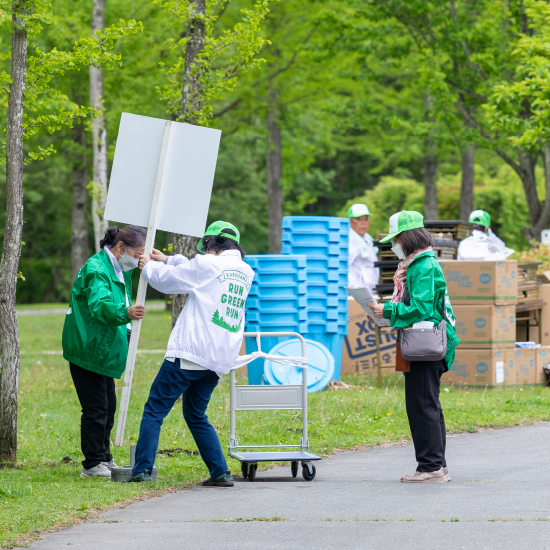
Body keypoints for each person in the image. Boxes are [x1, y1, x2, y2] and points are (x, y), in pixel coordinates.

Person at [127, 221, 255, 486]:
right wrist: (169, 259)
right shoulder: (245, 271)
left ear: (210, 244)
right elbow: (196, 272)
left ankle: (141, 471)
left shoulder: (207, 265)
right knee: (196, 414)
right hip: (218, 359)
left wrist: (150, 266)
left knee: (154, 410)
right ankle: (220, 472)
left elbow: (167, 282)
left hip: (189, 353)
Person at [371, 211, 460, 483]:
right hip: (424, 344)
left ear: (407, 237)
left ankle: (431, 467)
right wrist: (385, 310)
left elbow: (421, 308)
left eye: (395, 238)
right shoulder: (416, 264)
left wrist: (386, 310)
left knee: (422, 405)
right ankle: (437, 465)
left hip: (425, 346)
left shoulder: (422, 266)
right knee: (427, 404)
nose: (393, 244)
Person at [62, 225, 146, 478]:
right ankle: (91, 464)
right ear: (121, 247)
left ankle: (104, 457)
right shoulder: (97, 269)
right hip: (88, 347)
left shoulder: (118, 269)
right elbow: (99, 307)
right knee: (96, 408)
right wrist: (125, 314)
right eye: (137, 253)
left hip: (104, 347)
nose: (139, 259)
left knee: (108, 406)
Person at [347, 203, 380, 289]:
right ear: (350, 221)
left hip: (370, 293)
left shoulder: (368, 239)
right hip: (356, 293)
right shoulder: (348, 239)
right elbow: (344, 268)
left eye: (365, 219)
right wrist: (356, 288)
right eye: (358, 219)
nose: (363, 223)